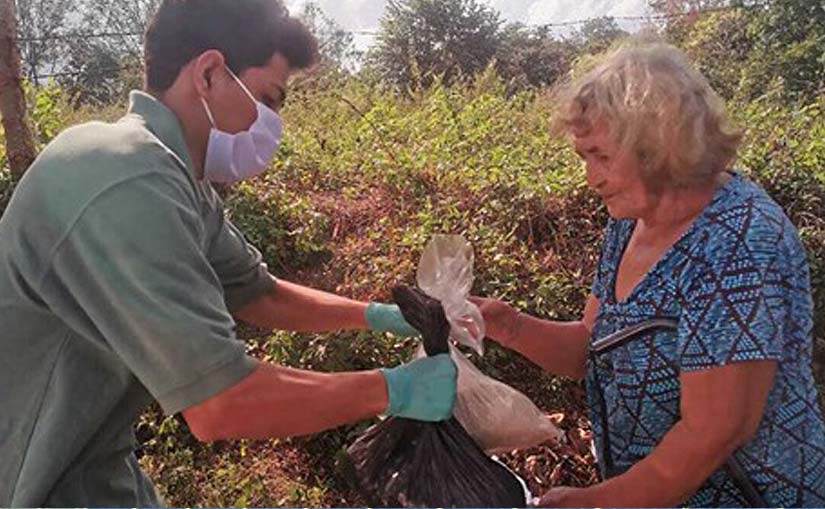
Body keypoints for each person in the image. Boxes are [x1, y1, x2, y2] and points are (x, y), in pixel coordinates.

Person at [0, 0, 456, 506]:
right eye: (268, 98)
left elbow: (258, 292)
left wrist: (380, 316)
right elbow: (221, 404)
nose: (274, 125)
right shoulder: (129, 179)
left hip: (87, 465)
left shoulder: (176, 179)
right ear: (210, 72)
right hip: (28, 479)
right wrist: (394, 389)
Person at [473, 42, 825, 507]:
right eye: (583, 157)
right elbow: (590, 349)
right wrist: (505, 324)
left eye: (599, 155)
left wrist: (595, 502)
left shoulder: (739, 242)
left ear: (658, 143)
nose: (589, 177)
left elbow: (713, 434)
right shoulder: (631, 221)